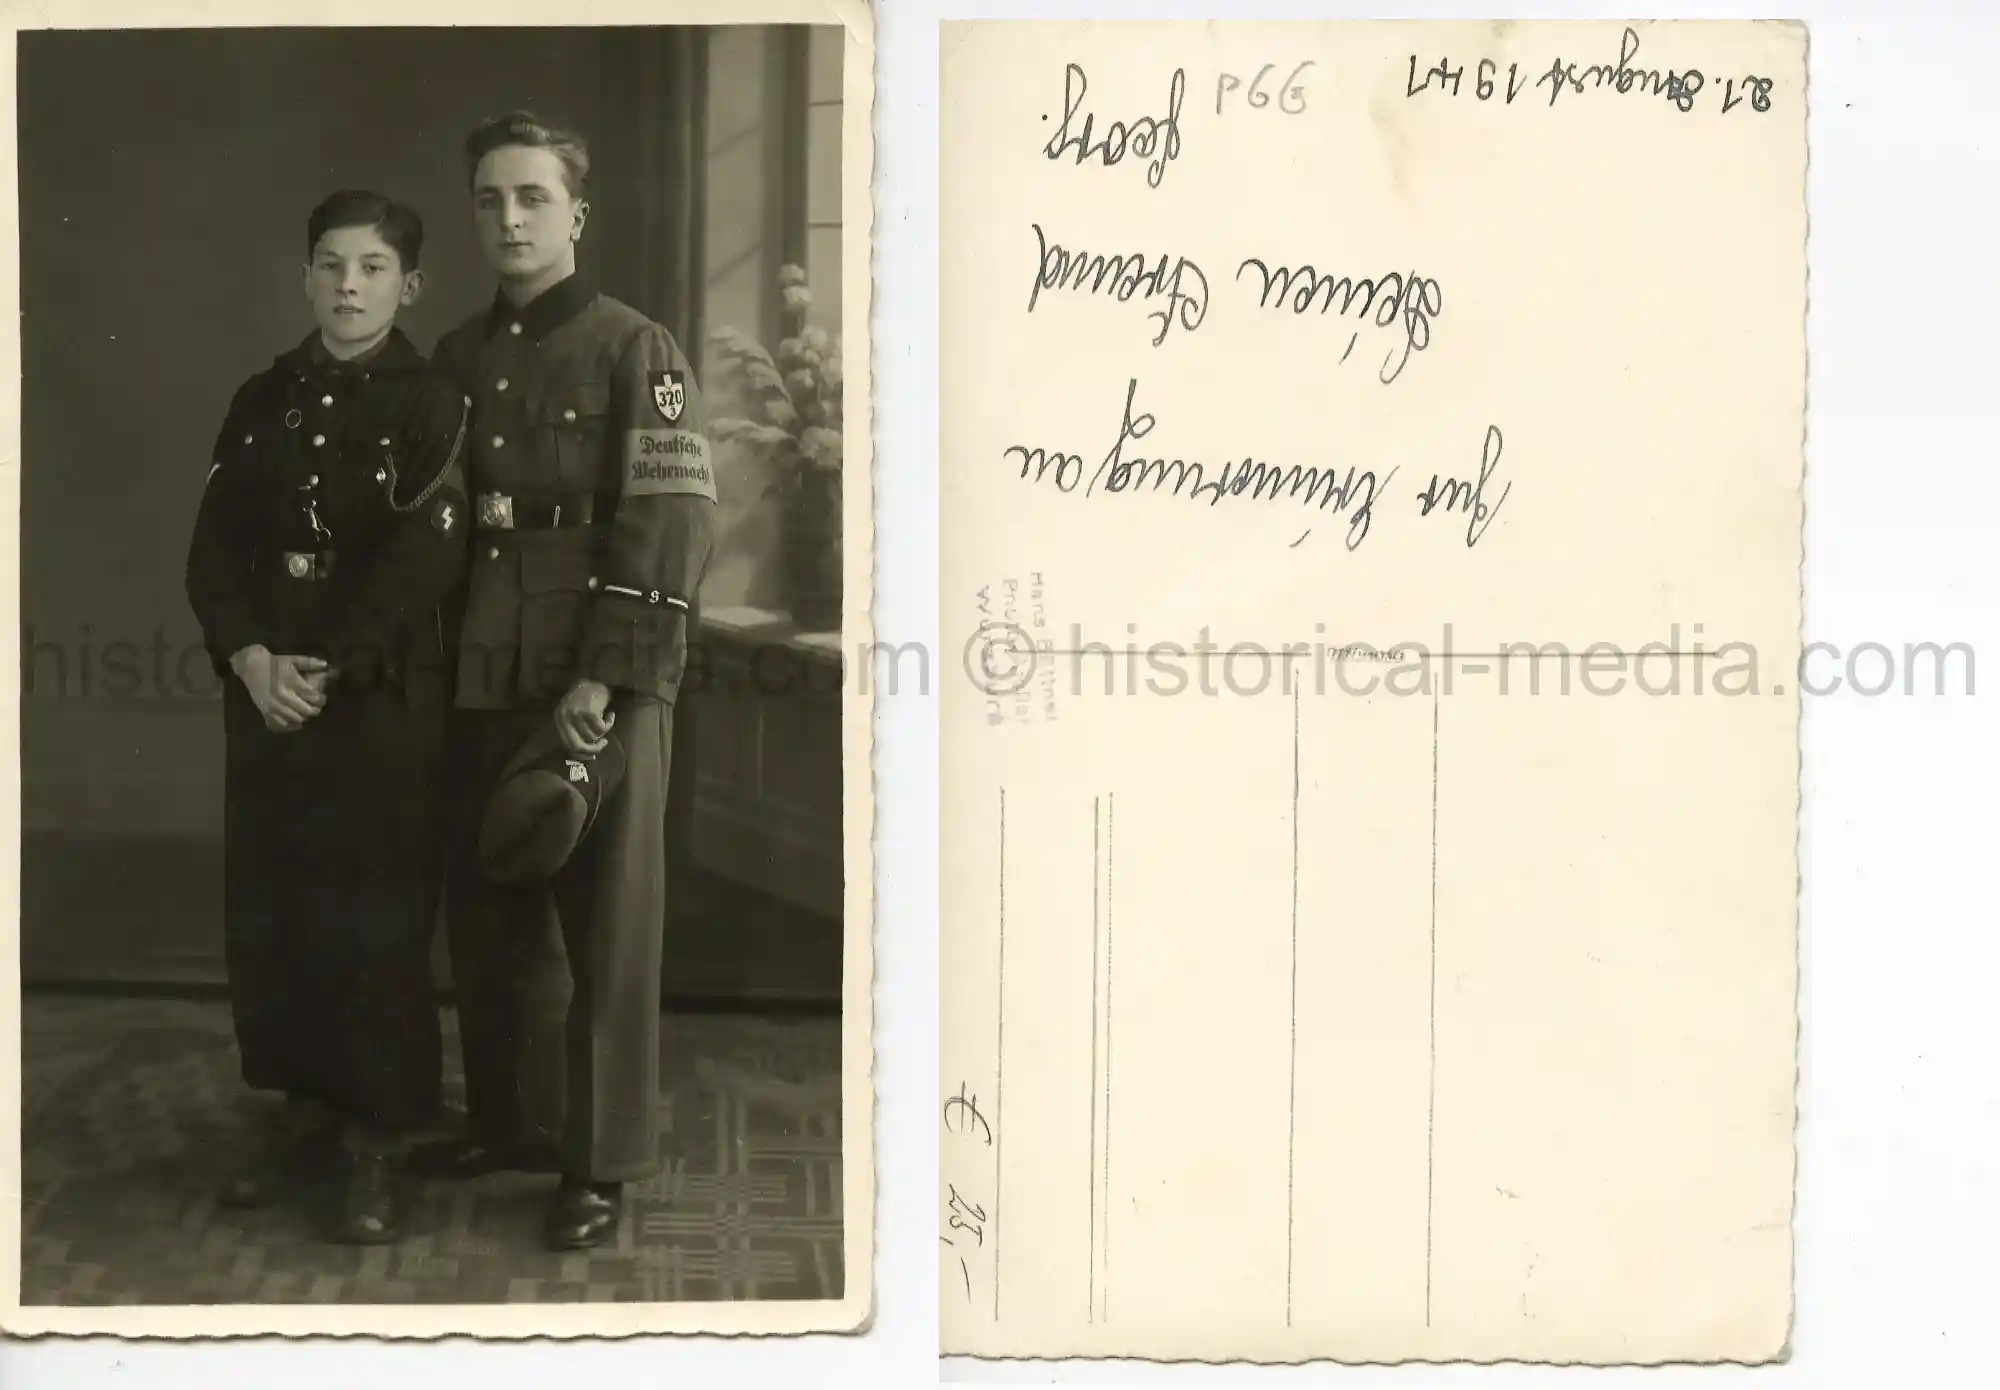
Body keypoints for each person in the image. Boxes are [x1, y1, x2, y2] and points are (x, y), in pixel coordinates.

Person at [411, 111, 716, 1251]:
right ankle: (510, 1122)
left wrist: (605, 674)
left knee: (606, 928)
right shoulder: (456, 356)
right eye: (490, 199)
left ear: (576, 213)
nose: (510, 219)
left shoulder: (639, 350)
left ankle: (598, 1161)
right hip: (482, 660)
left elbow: (672, 519)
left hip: (598, 671)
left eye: (533, 197)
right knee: (491, 911)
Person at [185, 190, 471, 1244]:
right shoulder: (262, 397)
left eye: (372, 268)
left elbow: (420, 565)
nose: (349, 287)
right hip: (267, 695)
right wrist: (251, 658)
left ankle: (380, 1132)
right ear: (306, 276)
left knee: (375, 917)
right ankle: (304, 1103)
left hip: (377, 702)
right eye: (331, 265)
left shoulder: (430, 402)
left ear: (410, 285)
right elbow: (214, 549)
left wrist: (324, 668)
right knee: (278, 909)